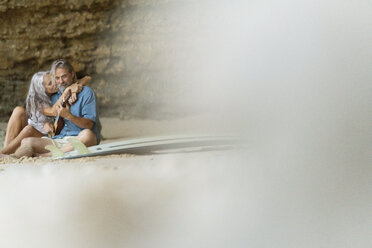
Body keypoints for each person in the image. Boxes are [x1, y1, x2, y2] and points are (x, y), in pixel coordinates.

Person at [12, 59, 100, 157]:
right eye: (57, 78)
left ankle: (48, 155)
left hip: (79, 138)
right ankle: (8, 155)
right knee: (26, 141)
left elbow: (89, 125)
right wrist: (47, 124)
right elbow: (51, 115)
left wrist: (69, 116)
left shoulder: (87, 93)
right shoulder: (54, 96)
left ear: (72, 74)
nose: (61, 81)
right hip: (58, 140)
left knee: (88, 135)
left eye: (64, 76)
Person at [0, 71, 91, 155]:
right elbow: (54, 111)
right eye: (50, 84)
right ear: (42, 88)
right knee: (19, 111)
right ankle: (5, 151)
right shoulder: (37, 100)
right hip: (34, 131)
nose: (55, 84)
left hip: (48, 136)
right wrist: (68, 91)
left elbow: (87, 78)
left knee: (29, 129)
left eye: (53, 80)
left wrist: (74, 88)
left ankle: (5, 152)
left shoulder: (57, 90)